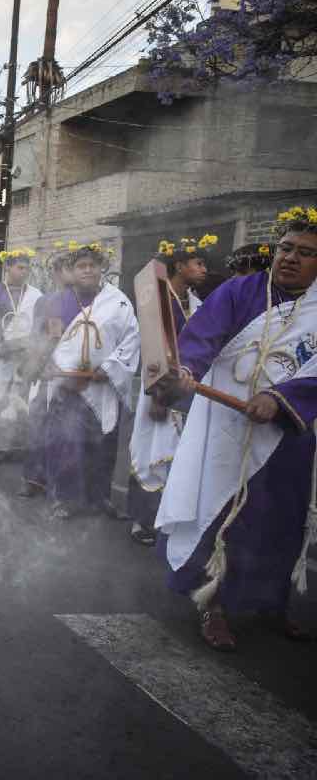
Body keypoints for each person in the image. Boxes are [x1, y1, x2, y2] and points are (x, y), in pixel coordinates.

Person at [155, 210, 317, 651]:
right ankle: (215, 604)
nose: (290, 259)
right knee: (224, 517)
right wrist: (187, 369)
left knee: (280, 521)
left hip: (286, 436)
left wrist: (283, 398)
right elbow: (202, 337)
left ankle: (271, 604)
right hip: (226, 427)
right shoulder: (239, 291)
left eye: (305, 254)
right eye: (286, 248)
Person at [39, 244, 140, 520]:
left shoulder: (118, 302)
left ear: (101, 269)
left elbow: (131, 339)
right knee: (67, 442)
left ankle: (100, 497)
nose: (87, 270)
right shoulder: (59, 302)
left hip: (102, 384)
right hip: (66, 385)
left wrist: (108, 369)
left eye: (92, 265)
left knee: (103, 445)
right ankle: (66, 497)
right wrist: (48, 364)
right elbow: (45, 340)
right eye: (81, 266)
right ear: (71, 271)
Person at [126, 237, 211, 545]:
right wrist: (157, 396)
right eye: (198, 263)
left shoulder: (196, 302)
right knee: (151, 451)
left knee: (178, 456)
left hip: (187, 391)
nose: (204, 269)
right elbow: (151, 350)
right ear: (179, 266)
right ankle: (142, 521)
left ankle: (168, 520)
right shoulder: (159, 299)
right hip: (158, 391)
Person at [19, 249, 75, 498]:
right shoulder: (46, 301)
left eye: (69, 267)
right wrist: (33, 368)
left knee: (67, 430)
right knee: (38, 423)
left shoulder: (91, 300)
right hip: (47, 369)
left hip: (76, 373)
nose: (66, 274)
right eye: (61, 268)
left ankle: (62, 483)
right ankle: (34, 478)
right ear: (54, 273)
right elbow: (37, 336)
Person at [0, 249, 43, 466]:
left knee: (19, 400)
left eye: (27, 268)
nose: (24, 272)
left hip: (25, 356)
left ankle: (14, 445)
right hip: (0, 355)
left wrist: (30, 348)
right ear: (8, 268)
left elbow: (40, 323)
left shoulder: (36, 295)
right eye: (20, 267)